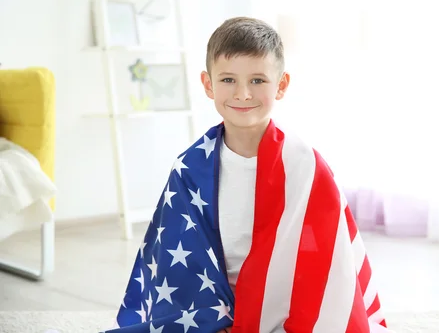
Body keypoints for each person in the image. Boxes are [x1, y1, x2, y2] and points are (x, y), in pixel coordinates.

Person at [106, 17, 392, 333]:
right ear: (208, 84)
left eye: (257, 81)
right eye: (228, 80)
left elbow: (326, 261)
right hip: (215, 305)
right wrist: (217, 319)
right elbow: (178, 264)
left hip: (287, 302)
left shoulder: (305, 166)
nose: (242, 94)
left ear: (281, 85)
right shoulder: (189, 168)